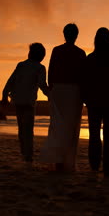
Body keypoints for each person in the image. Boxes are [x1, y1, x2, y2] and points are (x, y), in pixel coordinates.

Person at [40, 23, 86, 172]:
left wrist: (51, 89)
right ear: (76, 35)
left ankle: (59, 161)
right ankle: (67, 162)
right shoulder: (80, 53)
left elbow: (51, 71)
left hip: (59, 90)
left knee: (58, 126)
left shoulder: (57, 50)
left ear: (64, 34)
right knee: (71, 127)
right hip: (73, 91)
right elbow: (82, 75)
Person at [82, 27, 109, 177]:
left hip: (94, 101)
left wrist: (85, 98)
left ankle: (94, 165)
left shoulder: (90, 58)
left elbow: (84, 81)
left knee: (94, 134)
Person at [2, 43, 49, 165]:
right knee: (28, 130)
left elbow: (10, 81)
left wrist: (4, 95)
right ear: (41, 56)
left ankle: (25, 152)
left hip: (17, 100)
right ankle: (28, 155)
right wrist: (51, 95)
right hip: (28, 102)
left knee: (22, 128)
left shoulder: (21, 65)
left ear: (30, 53)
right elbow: (42, 84)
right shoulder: (40, 68)